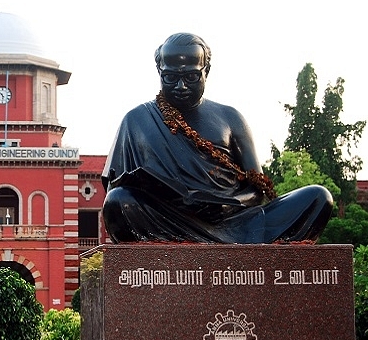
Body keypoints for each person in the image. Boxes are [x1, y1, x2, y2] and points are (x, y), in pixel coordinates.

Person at [102, 32, 333, 244]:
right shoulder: (136, 120)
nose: (181, 86)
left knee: (317, 197)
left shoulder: (230, 118)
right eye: (171, 77)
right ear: (159, 72)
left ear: (207, 70)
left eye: (191, 76)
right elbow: (114, 184)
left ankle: (234, 246)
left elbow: (257, 188)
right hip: (169, 219)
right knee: (117, 202)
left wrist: (225, 204)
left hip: (236, 221)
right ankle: (199, 246)